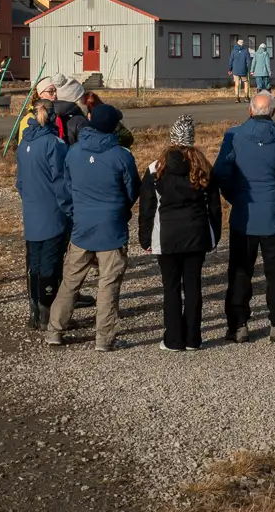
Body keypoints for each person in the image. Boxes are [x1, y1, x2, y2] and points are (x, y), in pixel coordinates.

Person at [46, 102, 139, 351]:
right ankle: (104, 339)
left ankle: (55, 330)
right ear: (114, 127)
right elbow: (132, 190)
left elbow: (65, 187)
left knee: (70, 281)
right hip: (111, 228)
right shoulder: (121, 156)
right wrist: (121, 210)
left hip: (82, 226)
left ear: (90, 120)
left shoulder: (74, 151)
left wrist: (74, 212)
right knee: (108, 284)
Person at [214, 91, 275, 342]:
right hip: (273, 213)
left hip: (244, 213)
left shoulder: (234, 136)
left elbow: (221, 171)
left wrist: (234, 196)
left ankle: (238, 325)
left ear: (250, 110)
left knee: (240, 271)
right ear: (273, 112)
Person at [139, 115, 220, 352]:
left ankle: (173, 339)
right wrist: (214, 235)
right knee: (193, 286)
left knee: (171, 288)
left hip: (167, 236)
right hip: (196, 234)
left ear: (172, 139)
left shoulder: (155, 169)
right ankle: (193, 338)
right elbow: (214, 206)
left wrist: (145, 238)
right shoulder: (204, 167)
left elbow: (147, 208)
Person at [16, 97, 74, 329]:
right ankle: (47, 315)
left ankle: (34, 311)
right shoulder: (54, 144)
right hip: (53, 212)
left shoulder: (24, 143)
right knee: (51, 263)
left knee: (34, 261)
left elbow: (20, 182)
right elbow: (62, 182)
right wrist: (70, 210)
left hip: (32, 210)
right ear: (53, 117)